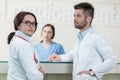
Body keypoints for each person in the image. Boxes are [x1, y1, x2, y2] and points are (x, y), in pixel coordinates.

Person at [49, 2, 117, 80]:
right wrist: (59, 57)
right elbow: (74, 54)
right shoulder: (79, 38)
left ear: (89, 19)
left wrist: (92, 71)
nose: (74, 19)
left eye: (78, 16)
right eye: (74, 15)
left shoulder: (97, 38)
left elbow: (112, 60)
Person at [7, 11, 45, 80]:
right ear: (18, 25)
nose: (31, 26)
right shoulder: (23, 44)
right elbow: (33, 76)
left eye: (34, 23)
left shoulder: (16, 39)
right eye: (27, 22)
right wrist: (40, 74)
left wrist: (36, 67)